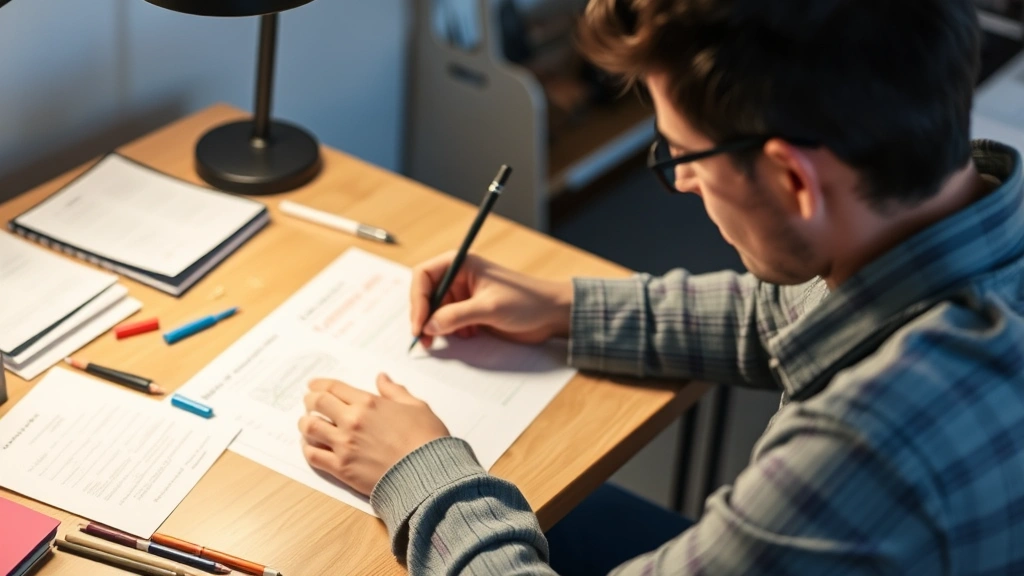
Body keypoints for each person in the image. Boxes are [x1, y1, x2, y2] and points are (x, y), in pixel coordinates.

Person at [297, 0, 1024, 573]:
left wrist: (417, 475)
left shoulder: (864, 454)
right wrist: (563, 307)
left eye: (684, 155)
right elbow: (796, 316)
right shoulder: (946, 224)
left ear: (794, 179)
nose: (677, 181)